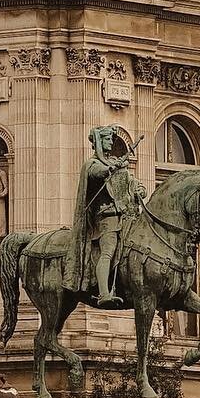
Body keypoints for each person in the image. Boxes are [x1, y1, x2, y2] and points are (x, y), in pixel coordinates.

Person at [72, 125, 145, 307]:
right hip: (106, 219)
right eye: (107, 139)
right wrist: (111, 167)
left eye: (112, 139)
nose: (111, 142)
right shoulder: (93, 164)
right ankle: (104, 293)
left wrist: (139, 189)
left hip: (128, 217)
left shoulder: (115, 162)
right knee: (108, 251)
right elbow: (99, 174)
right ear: (99, 141)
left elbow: (131, 182)